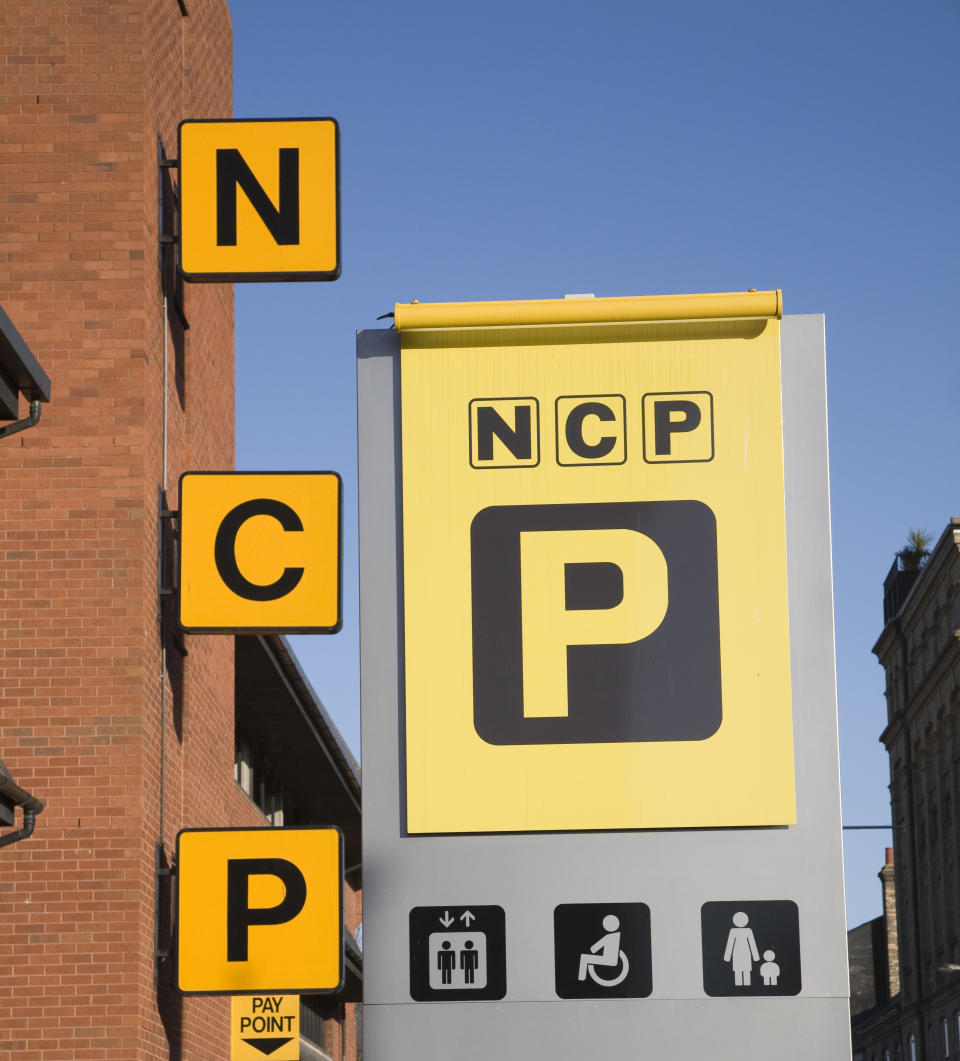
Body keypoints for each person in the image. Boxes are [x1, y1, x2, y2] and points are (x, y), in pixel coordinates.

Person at [578, 914, 622, 981]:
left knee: (584, 958)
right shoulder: (617, 936)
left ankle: (581, 979)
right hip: (613, 960)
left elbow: (594, 949)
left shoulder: (608, 937)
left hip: (607, 959)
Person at [722, 911, 760, 986]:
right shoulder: (733, 931)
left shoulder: (748, 931)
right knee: (738, 971)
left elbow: (752, 944)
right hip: (738, 954)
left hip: (745, 954)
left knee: (746, 971)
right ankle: (740, 985)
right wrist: (727, 957)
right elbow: (730, 944)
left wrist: (756, 956)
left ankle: (747, 985)